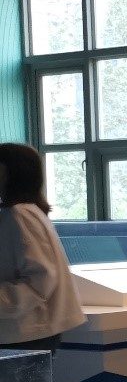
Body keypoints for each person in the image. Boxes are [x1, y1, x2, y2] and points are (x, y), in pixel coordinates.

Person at [0, 143, 85, 351]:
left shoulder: (20, 215)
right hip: (27, 330)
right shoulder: (25, 212)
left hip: (25, 331)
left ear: (11, 173)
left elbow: (40, 279)